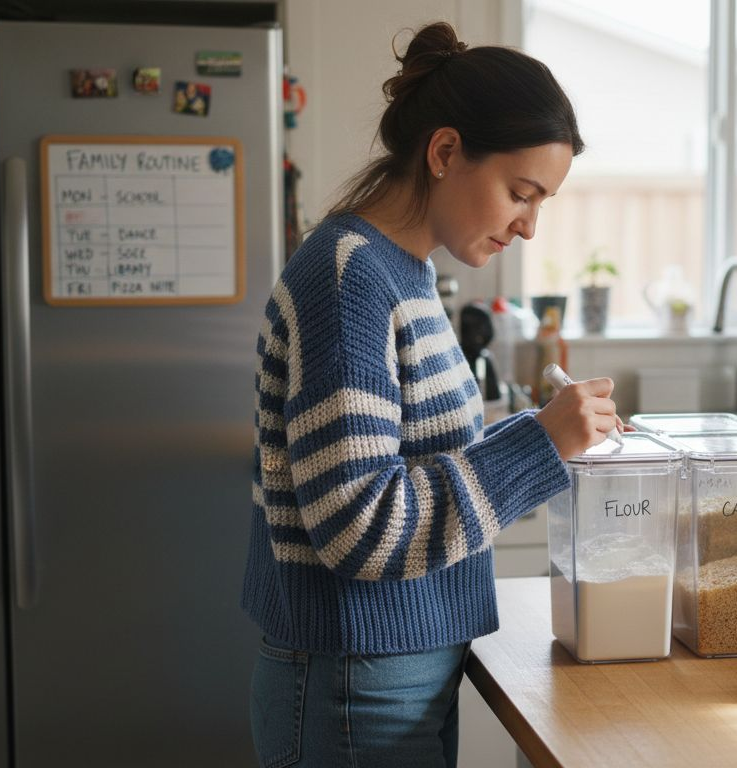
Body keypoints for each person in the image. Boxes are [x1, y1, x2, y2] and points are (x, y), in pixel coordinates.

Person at [241, 20, 620, 768]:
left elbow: (412, 455)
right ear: (445, 152)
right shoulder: (350, 279)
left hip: (391, 666)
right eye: (521, 193)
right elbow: (360, 525)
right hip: (358, 679)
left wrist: (537, 432)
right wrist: (540, 442)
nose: (529, 226)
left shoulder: (401, 271)